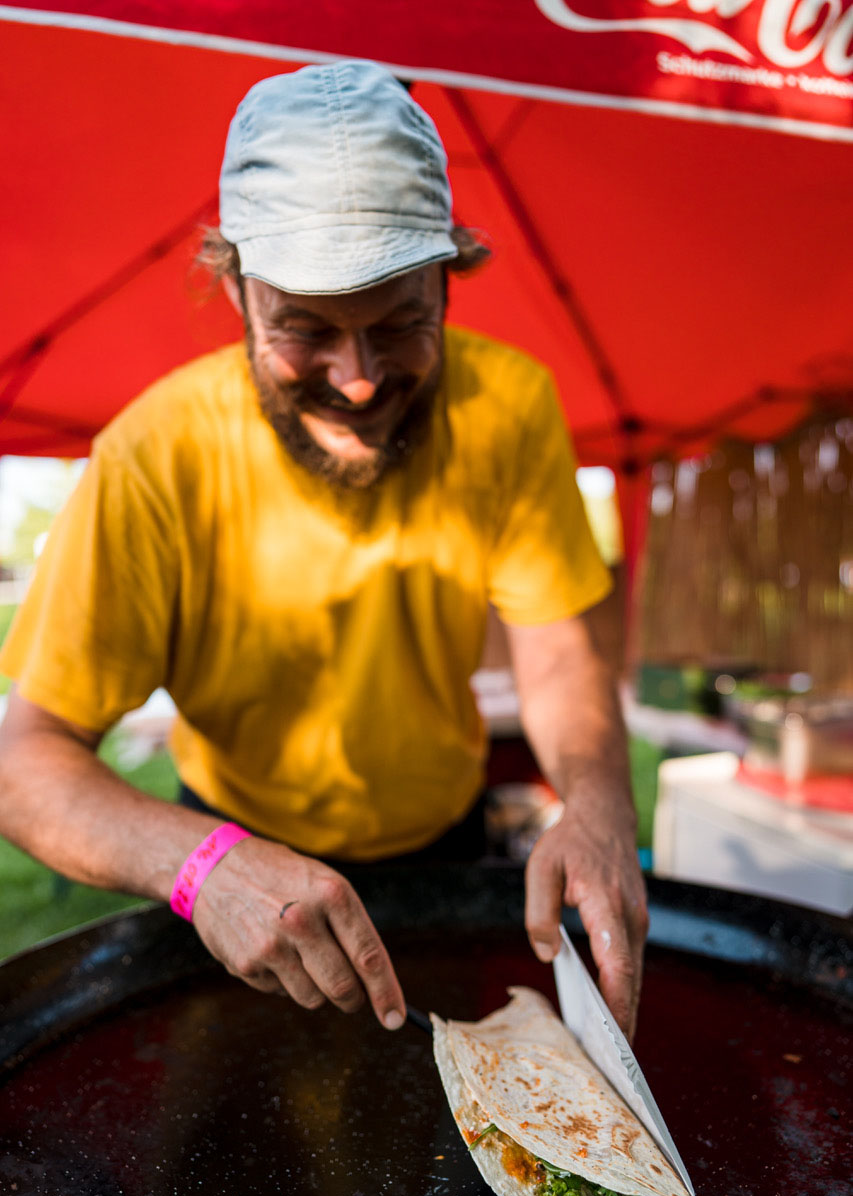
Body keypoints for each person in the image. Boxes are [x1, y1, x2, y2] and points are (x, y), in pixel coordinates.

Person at [0, 61, 647, 1038]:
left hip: (445, 854)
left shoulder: (509, 405)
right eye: (306, 329)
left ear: (451, 278)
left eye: (398, 323)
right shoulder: (152, 455)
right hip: (228, 847)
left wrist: (599, 804)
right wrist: (203, 863)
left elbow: (554, 651)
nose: (356, 380)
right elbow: (24, 760)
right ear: (234, 291)